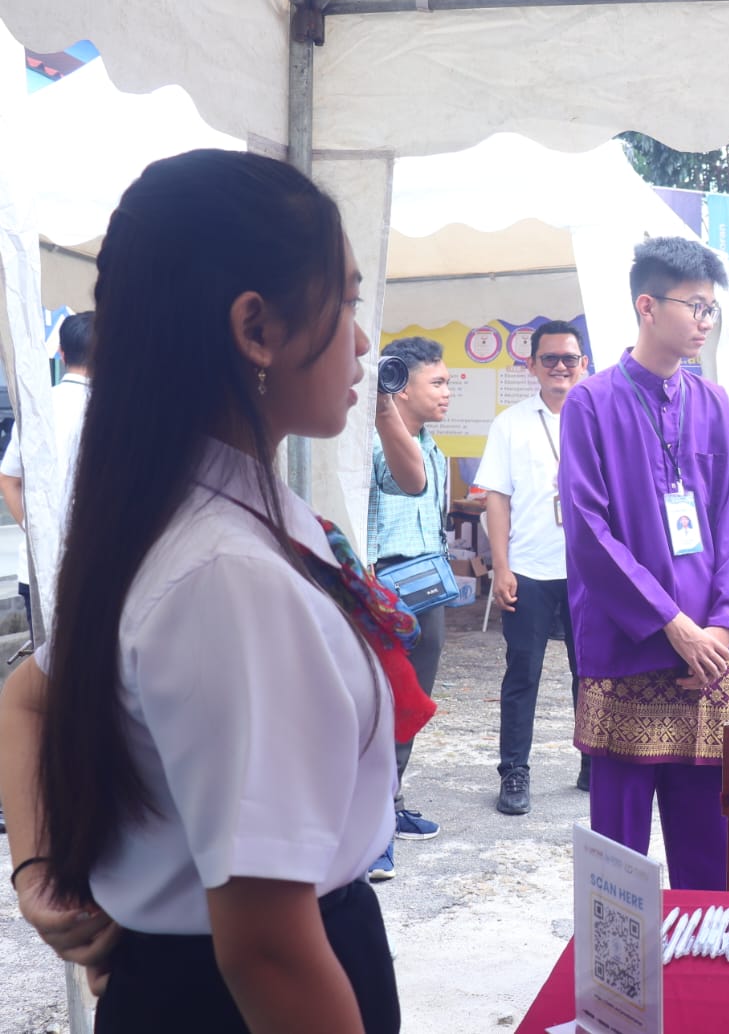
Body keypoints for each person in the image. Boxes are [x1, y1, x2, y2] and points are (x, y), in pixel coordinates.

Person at [0, 149, 409, 1030]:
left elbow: (26, 698)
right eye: (347, 300)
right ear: (256, 330)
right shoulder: (226, 575)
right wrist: (38, 875)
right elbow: (266, 948)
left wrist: (38, 875)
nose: (363, 340)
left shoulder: (184, 513)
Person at [559, 235, 729, 890]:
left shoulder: (715, 405)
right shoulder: (592, 402)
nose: (705, 321)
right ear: (647, 306)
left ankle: (713, 977)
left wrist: (724, 626)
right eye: (694, 306)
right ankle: (618, 988)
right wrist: (671, 622)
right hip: (631, 644)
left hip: (713, 653)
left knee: (713, 840)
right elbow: (589, 531)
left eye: (711, 309)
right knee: (617, 851)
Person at [474, 319, 589, 813]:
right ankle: (514, 772)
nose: (560, 367)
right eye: (549, 359)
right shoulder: (511, 422)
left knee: (592, 673)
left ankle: (594, 759)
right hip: (529, 570)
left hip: (590, 574)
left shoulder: (599, 417)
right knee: (523, 672)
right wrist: (501, 567)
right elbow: (496, 499)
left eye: (569, 358)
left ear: (584, 364)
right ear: (532, 365)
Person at [365, 335, 452, 879]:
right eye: (437, 383)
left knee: (411, 703)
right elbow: (405, 479)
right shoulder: (378, 440)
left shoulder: (433, 444)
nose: (447, 393)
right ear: (401, 387)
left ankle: (391, 808)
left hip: (426, 588)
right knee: (379, 705)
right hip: (383, 590)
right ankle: (371, 832)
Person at [0, 310, 94, 646]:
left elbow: (8, 479)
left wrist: (35, 527)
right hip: (96, 569)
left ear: (62, 354)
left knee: (46, 672)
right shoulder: (113, 413)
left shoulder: (38, 407)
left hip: (37, 568)